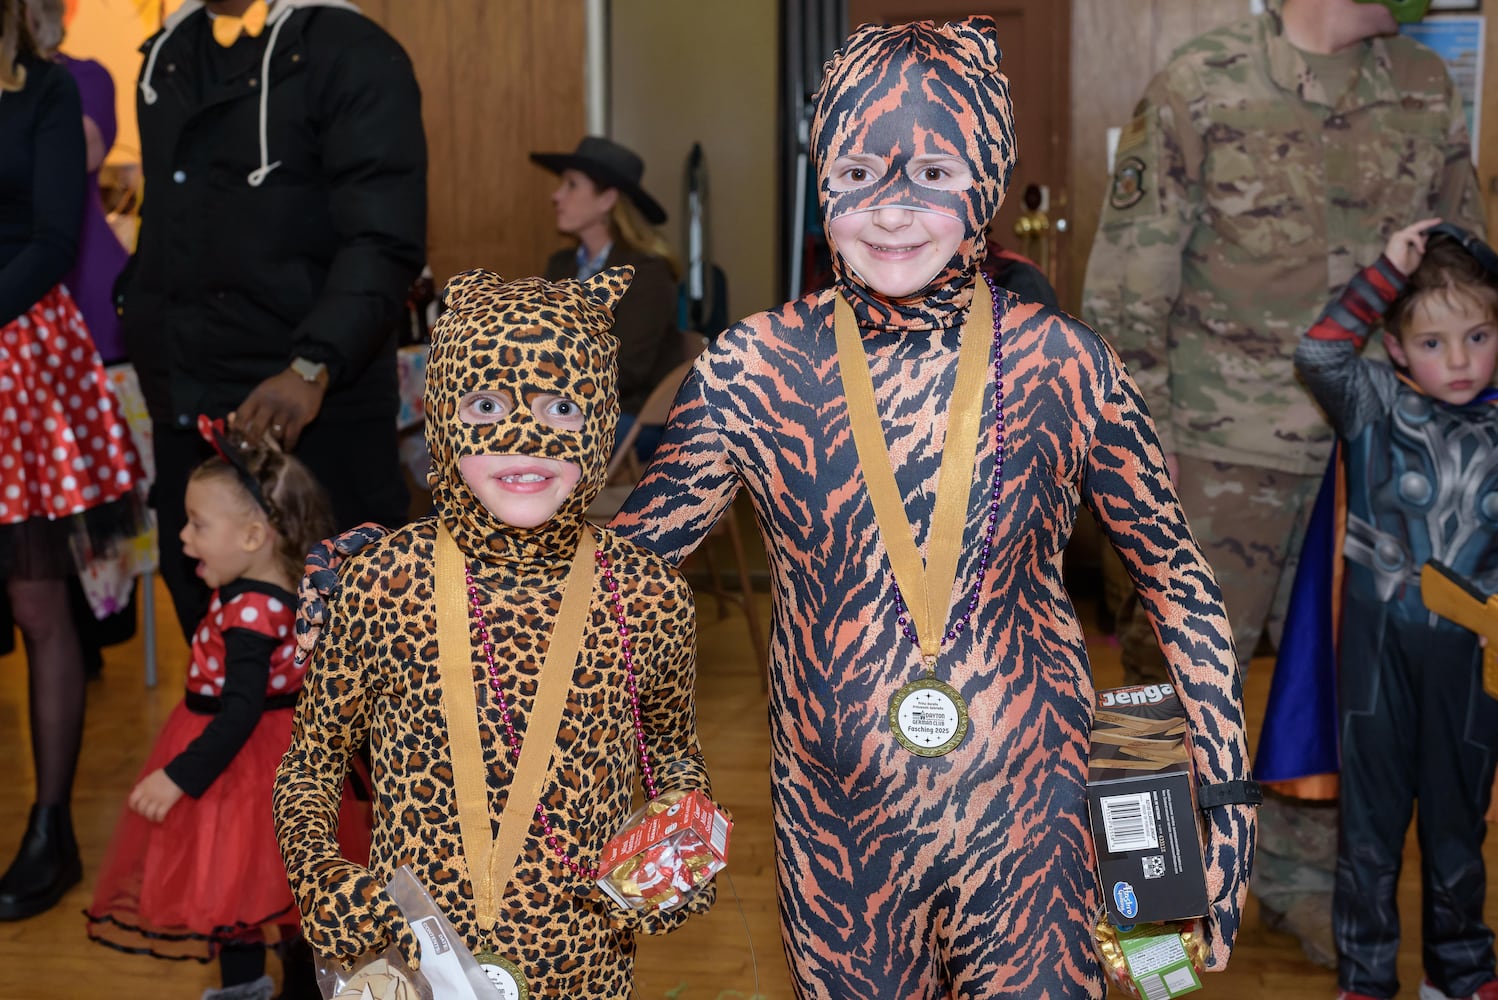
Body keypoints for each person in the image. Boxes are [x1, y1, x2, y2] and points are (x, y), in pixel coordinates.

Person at [606, 18, 1256, 997]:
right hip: (836, 833)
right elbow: (616, 585)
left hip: (1035, 822)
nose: (893, 211)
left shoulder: (1062, 364)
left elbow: (1177, 583)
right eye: (860, 172)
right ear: (821, 176)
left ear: (986, 180)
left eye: (935, 173)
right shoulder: (752, 372)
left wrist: (1222, 804)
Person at [1080, 0, 1486, 966]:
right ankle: (1146, 917)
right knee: (1162, 690)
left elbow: (1467, 274)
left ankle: (1306, 891)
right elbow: (1127, 286)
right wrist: (1140, 449)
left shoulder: (1426, 91)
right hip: (1216, 455)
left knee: (1351, 688)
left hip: (1382, 462)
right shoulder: (1200, 83)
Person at [274, 268, 719, 998]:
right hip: (413, 963)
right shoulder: (385, 584)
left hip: (582, 963)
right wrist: (320, 874)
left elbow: (672, 757)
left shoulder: (647, 596)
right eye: (486, 405)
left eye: (560, 408)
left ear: (602, 418)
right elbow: (313, 762)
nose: (525, 440)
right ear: (444, 414)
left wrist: (684, 848)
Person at [120, 0, 426, 642]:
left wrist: (313, 364)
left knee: (348, 657)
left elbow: (383, 237)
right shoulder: (168, 57)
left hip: (314, 417)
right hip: (191, 412)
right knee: (217, 651)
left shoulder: (350, 50)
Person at [1292, 220, 1498, 1000]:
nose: (1459, 361)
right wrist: (1386, 273)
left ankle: (1463, 973)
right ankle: (1367, 979)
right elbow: (1318, 352)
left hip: (1472, 663)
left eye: (1479, 336)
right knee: (1370, 832)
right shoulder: (1374, 405)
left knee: (1457, 828)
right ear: (1398, 349)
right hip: (1377, 659)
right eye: (1435, 342)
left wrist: (1481, 260)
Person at [84, 419, 332, 1000]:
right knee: (286, 884)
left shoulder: (248, 613)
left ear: (251, 537)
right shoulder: (294, 587)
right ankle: (303, 985)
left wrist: (179, 778)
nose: (184, 539)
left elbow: (239, 714)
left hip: (235, 767)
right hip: (284, 755)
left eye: (198, 525)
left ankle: (250, 989)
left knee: (234, 885)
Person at [0, 0, 144, 922]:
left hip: (19, 351)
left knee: (38, 602)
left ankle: (51, 830)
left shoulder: (48, 91)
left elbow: (56, 238)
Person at [532, 136, 682, 463]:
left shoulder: (646, 273)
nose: (556, 196)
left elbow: (627, 369)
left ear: (606, 200)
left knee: (515, 441)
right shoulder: (562, 265)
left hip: (628, 414)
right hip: (562, 405)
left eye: (571, 185)